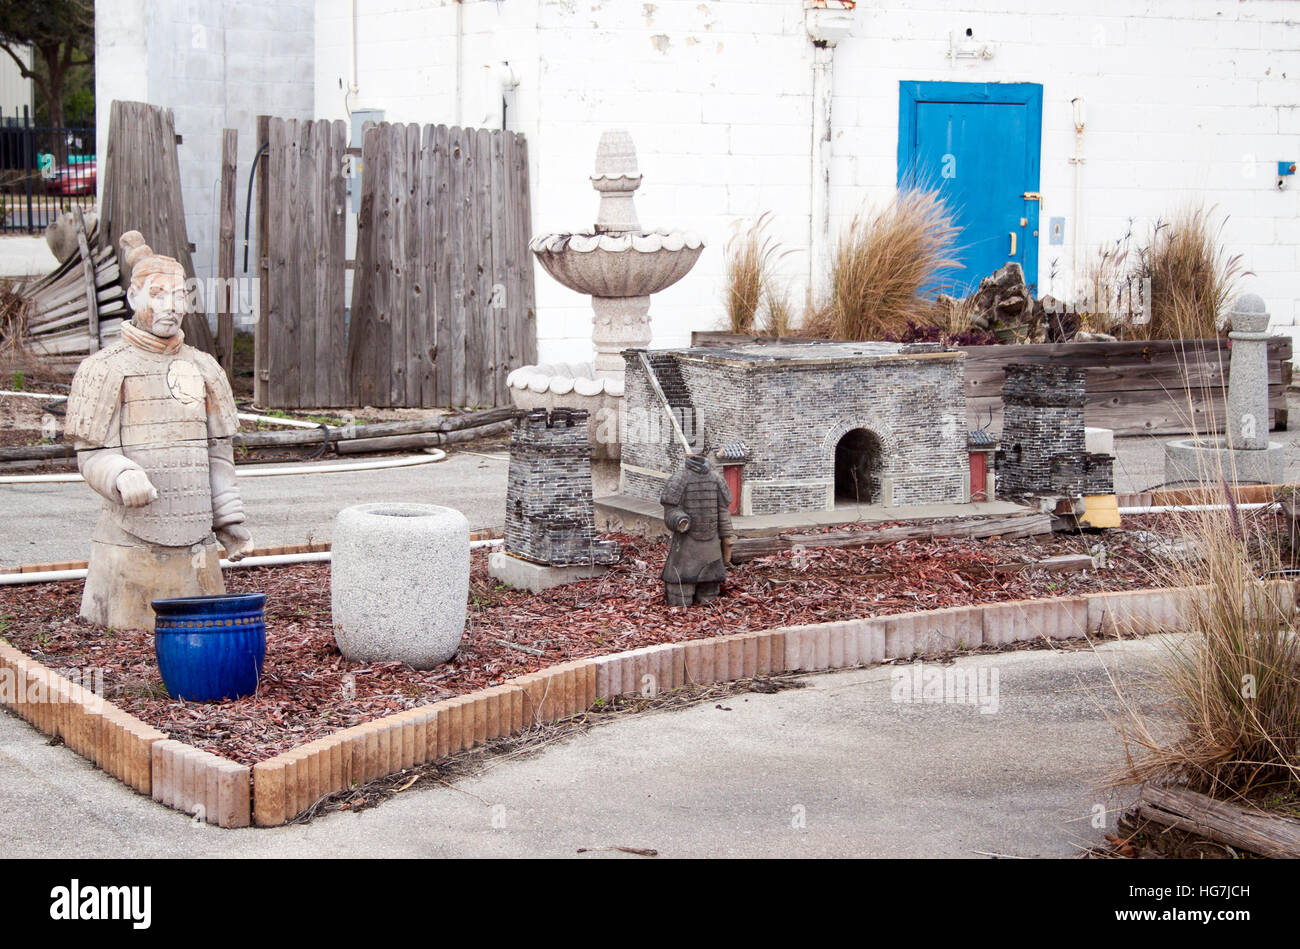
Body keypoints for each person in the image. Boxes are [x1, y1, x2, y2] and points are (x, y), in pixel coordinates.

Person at [65, 231, 254, 629]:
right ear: (134, 298)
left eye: (179, 296)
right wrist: (121, 473)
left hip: (197, 548)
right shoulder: (105, 368)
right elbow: (91, 454)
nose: (171, 307)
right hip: (129, 545)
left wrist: (228, 519)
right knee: (131, 634)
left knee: (205, 636)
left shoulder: (205, 367)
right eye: (158, 295)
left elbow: (218, 454)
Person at [660, 453, 735, 607]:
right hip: (687, 545)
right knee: (680, 593)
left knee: (710, 593)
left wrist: (727, 537)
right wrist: (680, 520)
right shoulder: (679, 478)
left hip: (712, 546)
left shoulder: (716, 478)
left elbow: (723, 511)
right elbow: (670, 511)